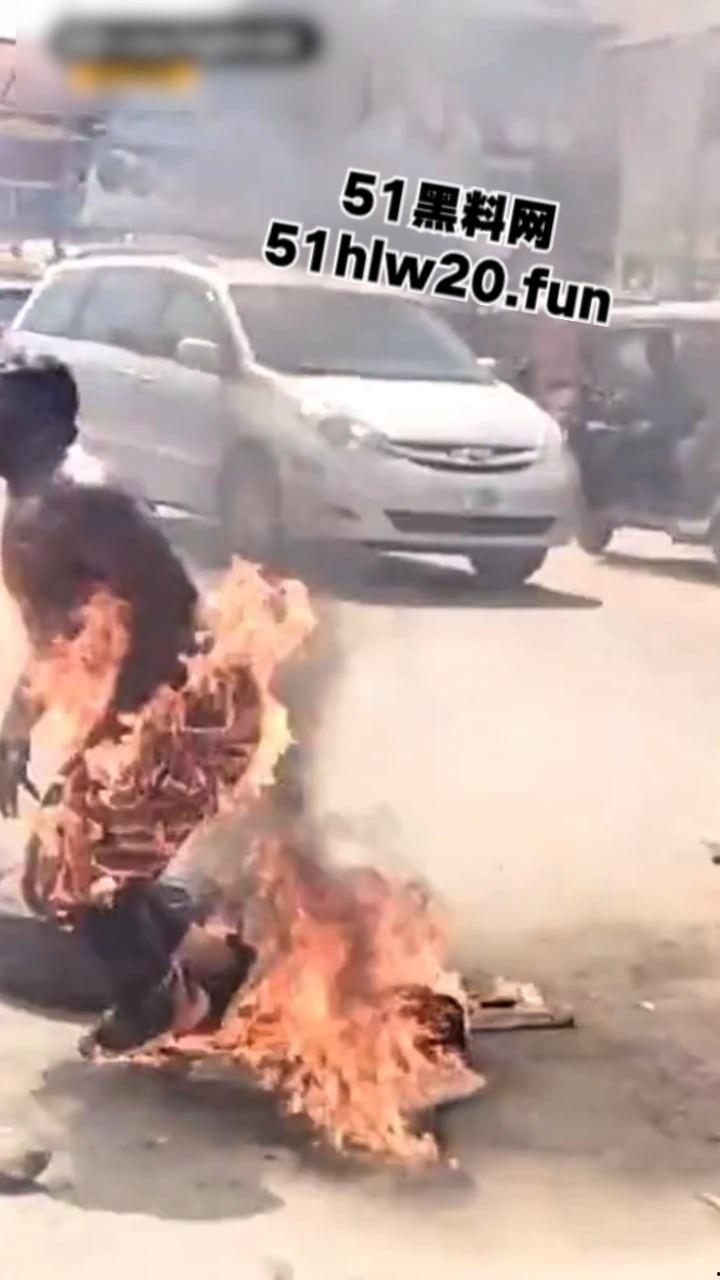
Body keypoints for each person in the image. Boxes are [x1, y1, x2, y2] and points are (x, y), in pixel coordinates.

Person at [0, 353, 246, 1053]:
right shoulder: (38, 501)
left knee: (77, 861)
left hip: (182, 707)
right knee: (68, 866)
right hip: (143, 713)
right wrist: (14, 733)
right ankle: (216, 969)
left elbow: (172, 603)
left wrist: (127, 724)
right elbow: (57, 637)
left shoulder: (87, 497)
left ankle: (154, 1001)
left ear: (36, 420)